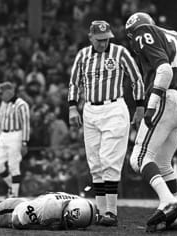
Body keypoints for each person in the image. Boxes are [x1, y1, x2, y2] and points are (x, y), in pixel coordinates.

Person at [124, 12, 177, 232]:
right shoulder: (175, 36)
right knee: (164, 163)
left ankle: (168, 201)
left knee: (138, 158)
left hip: (165, 98)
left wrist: (153, 102)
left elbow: (163, 69)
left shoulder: (143, 32)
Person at [68, 20, 144, 226]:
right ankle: (102, 212)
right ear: (91, 37)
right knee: (95, 163)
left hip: (114, 108)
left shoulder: (120, 53)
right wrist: (73, 107)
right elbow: (74, 82)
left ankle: (111, 211)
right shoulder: (83, 56)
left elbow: (136, 78)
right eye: (100, 39)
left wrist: (139, 106)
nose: (103, 43)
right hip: (90, 109)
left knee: (109, 159)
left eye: (106, 39)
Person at [0, 192, 96, 230]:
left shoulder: (79, 202)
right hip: (13, 211)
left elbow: (90, 211)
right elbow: (17, 221)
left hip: (26, 204)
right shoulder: (48, 209)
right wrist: (44, 227)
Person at [0, 81, 30, 198]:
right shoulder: (3, 104)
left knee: (14, 165)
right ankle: (11, 186)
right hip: (3, 135)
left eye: (1, 93)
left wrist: (24, 142)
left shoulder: (22, 104)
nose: (0, 96)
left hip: (15, 135)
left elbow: (25, 124)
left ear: (9, 92)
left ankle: (14, 194)